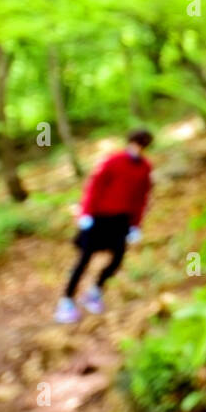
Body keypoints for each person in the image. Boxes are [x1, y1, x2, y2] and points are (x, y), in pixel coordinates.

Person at [54, 129, 154, 324]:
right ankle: (66, 300)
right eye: (136, 143)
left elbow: (141, 198)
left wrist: (136, 225)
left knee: (117, 258)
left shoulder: (144, 168)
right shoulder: (113, 161)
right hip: (99, 218)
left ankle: (95, 291)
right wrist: (86, 214)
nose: (138, 148)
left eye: (143, 145)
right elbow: (94, 187)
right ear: (130, 142)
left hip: (121, 220)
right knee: (84, 260)